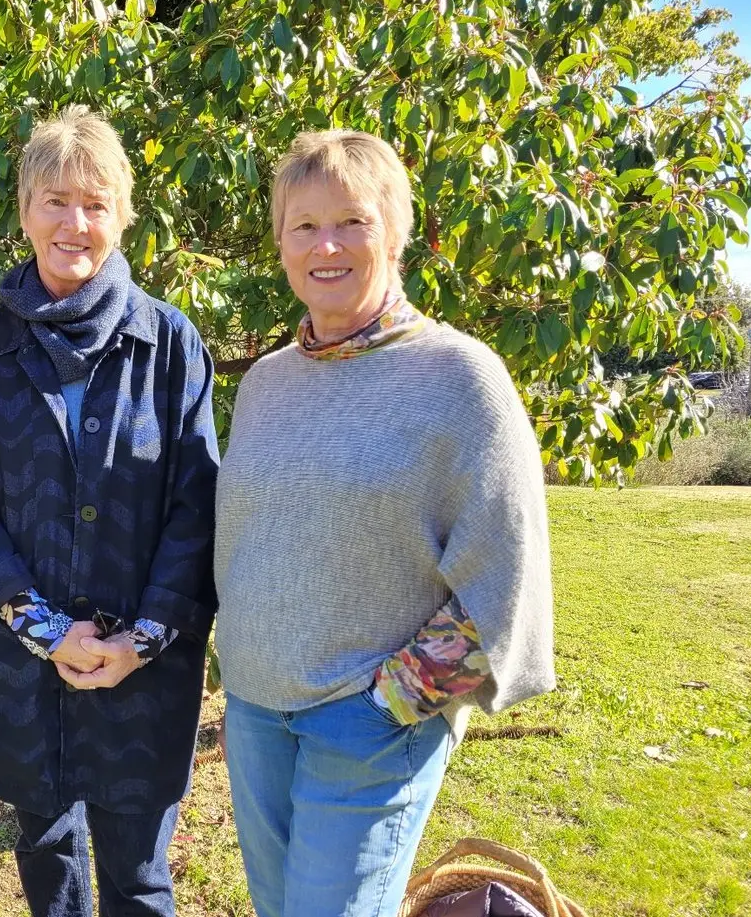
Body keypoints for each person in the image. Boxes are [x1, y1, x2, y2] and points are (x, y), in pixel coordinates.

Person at [214, 129, 556, 917]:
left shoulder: (459, 377)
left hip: (370, 724)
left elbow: (509, 581)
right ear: (281, 242)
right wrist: (243, 684)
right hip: (259, 715)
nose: (325, 244)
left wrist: (390, 705)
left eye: (353, 221)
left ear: (394, 232)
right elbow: (253, 543)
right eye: (304, 225)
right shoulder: (267, 382)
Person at [0, 105, 220, 917]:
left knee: (139, 878)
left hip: (144, 667)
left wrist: (142, 637)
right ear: (24, 211)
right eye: (55, 199)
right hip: (24, 665)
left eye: (95, 202)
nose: (74, 222)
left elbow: (195, 507)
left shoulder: (171, 345)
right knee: (47, 852)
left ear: (123, 216)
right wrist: (48, 630)